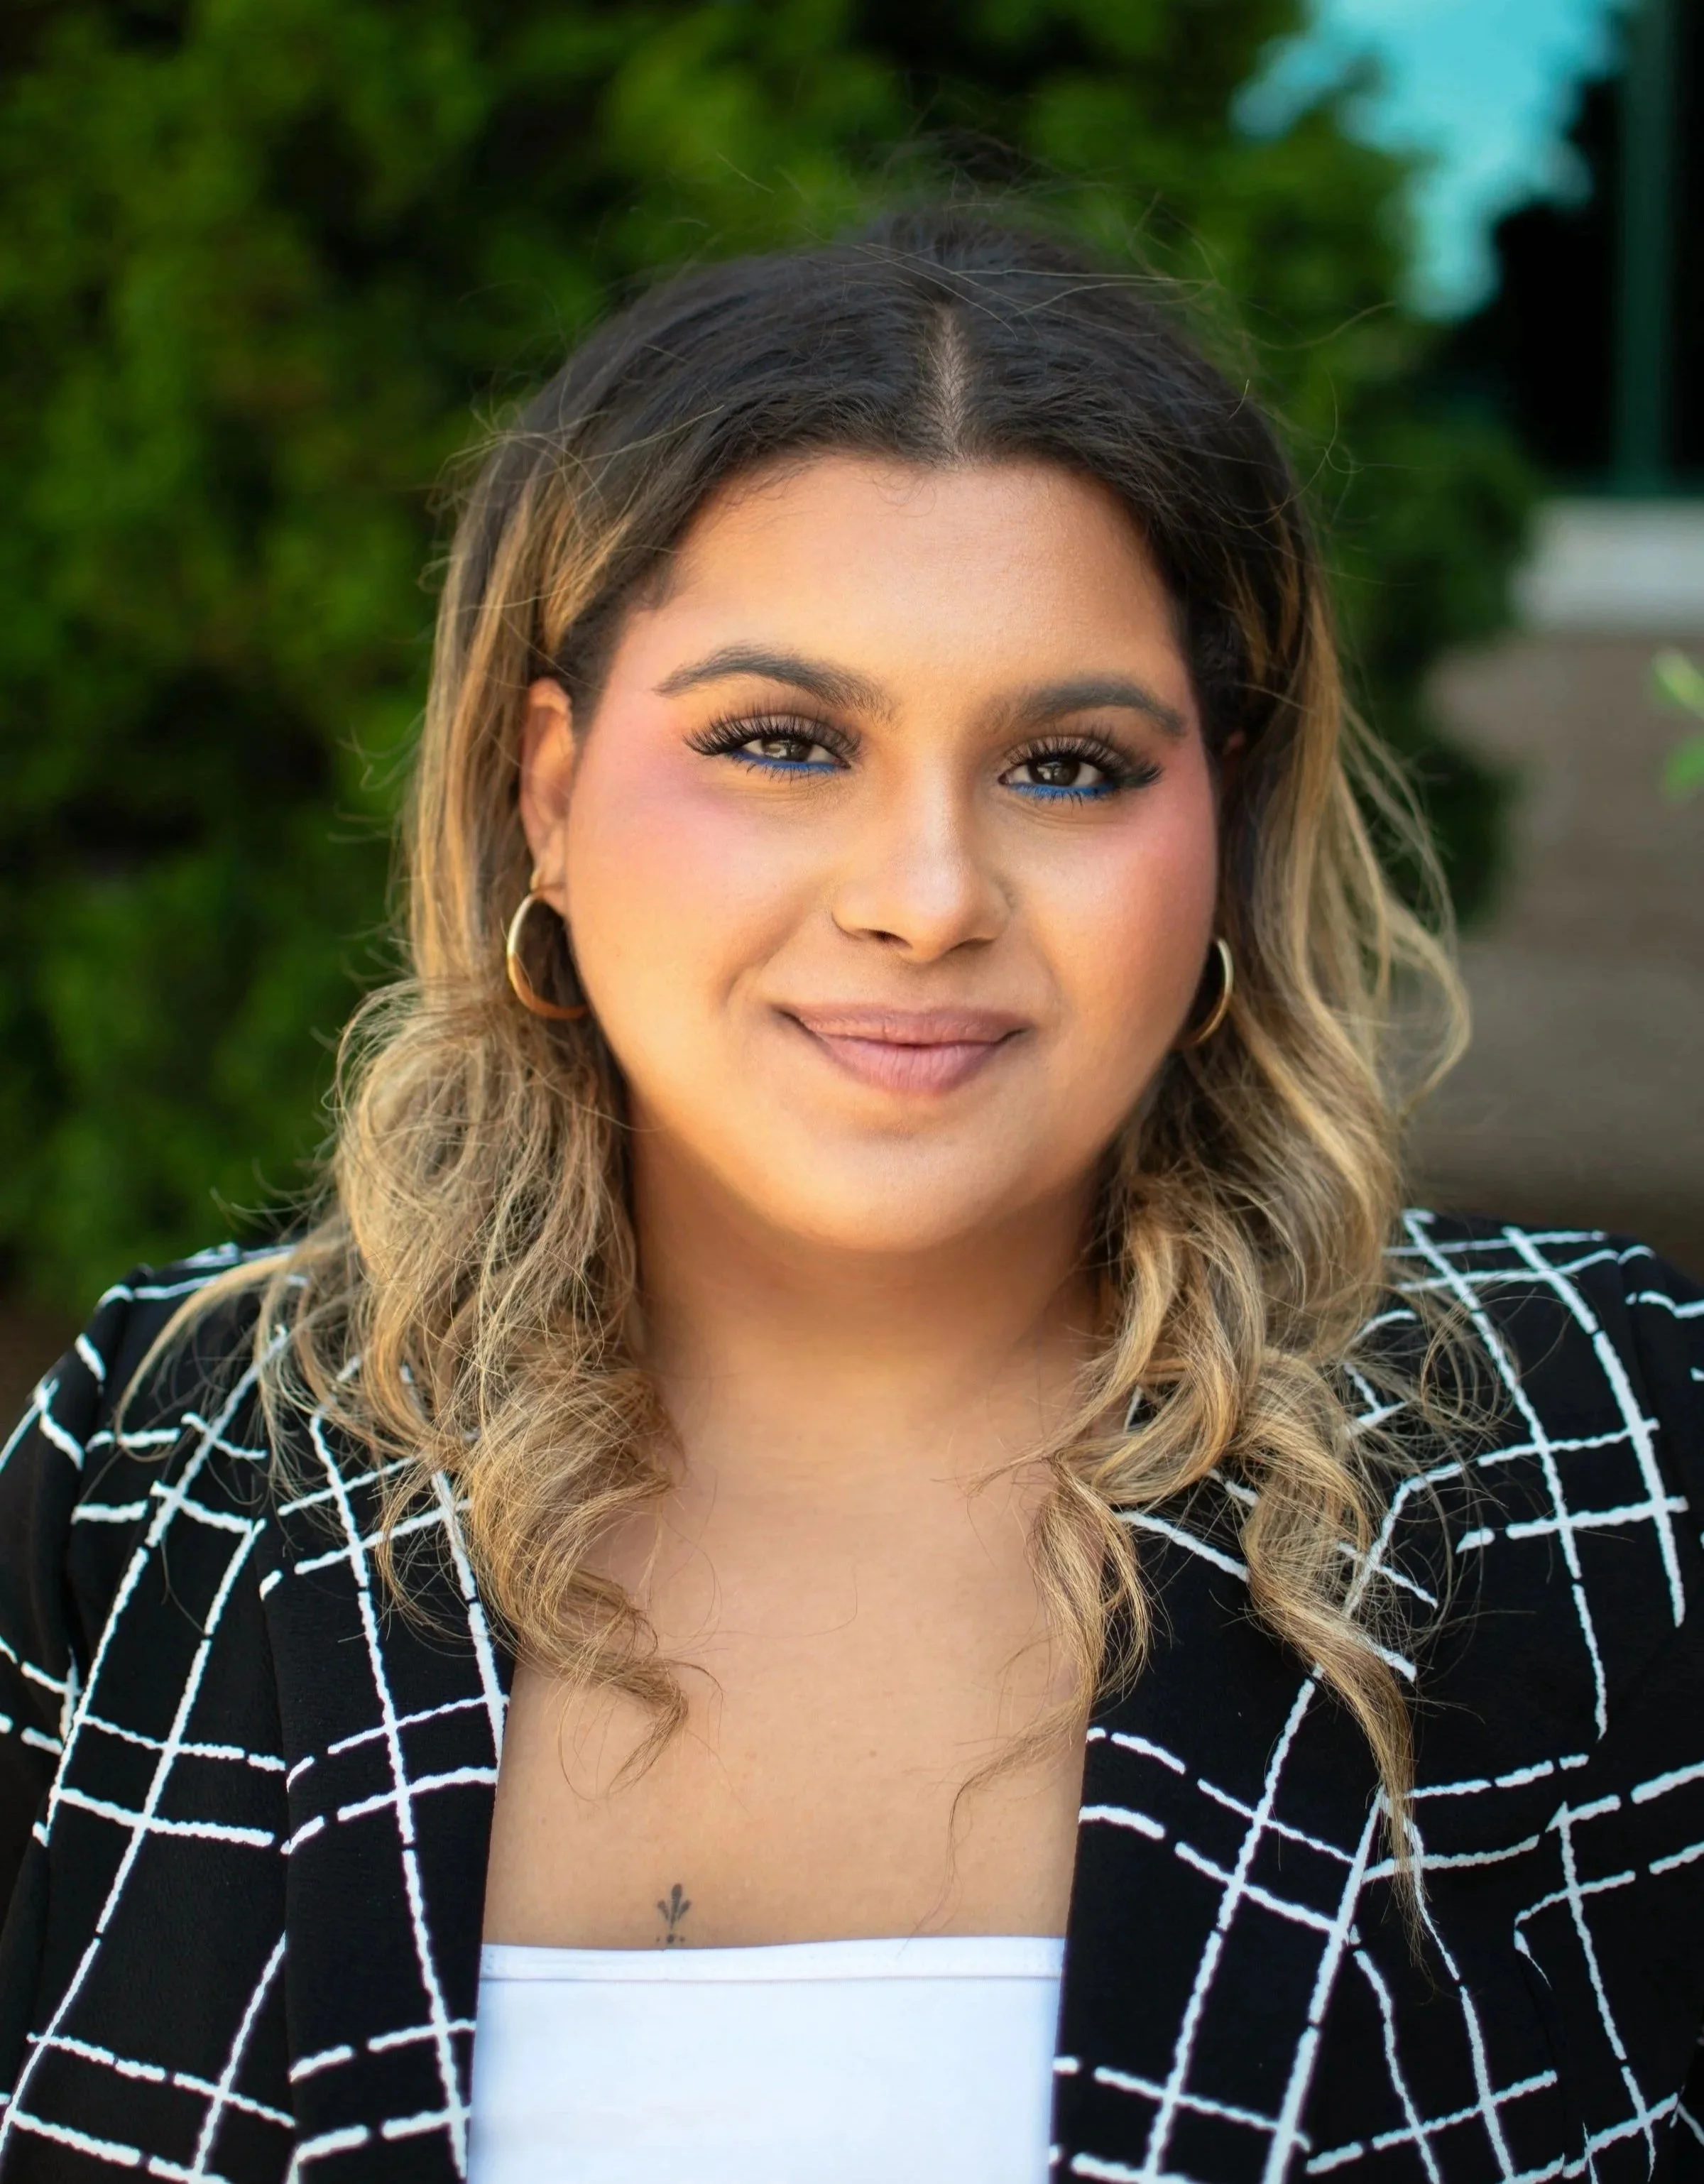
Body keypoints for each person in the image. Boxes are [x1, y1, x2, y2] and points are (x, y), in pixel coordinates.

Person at [0, 212, 1700, 2184]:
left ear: (1221, 824)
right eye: (782, 742)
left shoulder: (1607, 1455)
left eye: (1068, 766)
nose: (927, 896)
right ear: (549, 794)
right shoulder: (159, 1472)